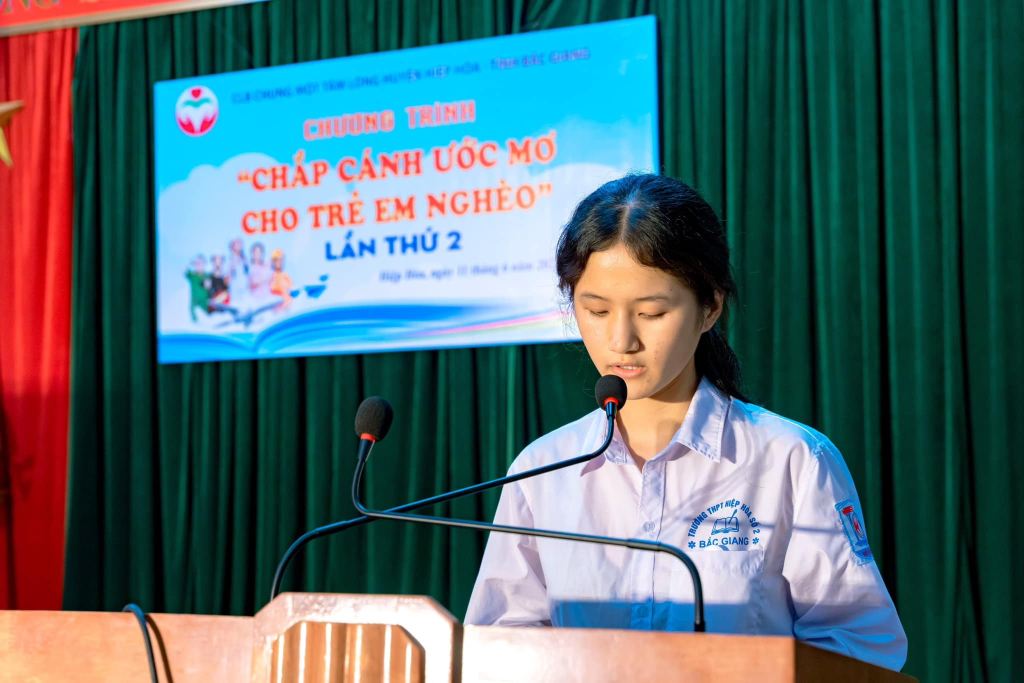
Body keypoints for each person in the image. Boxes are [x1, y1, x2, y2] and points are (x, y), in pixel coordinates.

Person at [464, 174, 908, 672]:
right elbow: (498, 646)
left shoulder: (792, 460)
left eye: (652, 313)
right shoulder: (543, 470)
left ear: (709, 307)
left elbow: (859, 647)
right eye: (597, 310)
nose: (621, 341)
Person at [184, 254, 210, 322]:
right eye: (197, 263)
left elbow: (208, 287)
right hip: (194, 303)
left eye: (201, 263)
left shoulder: (207, 276)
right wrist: (190, 263)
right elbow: (184, 271)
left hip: (204, 303)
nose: (199, 265)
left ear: (204, 264)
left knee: (206, 320)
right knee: (195, 321)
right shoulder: (193, 275)